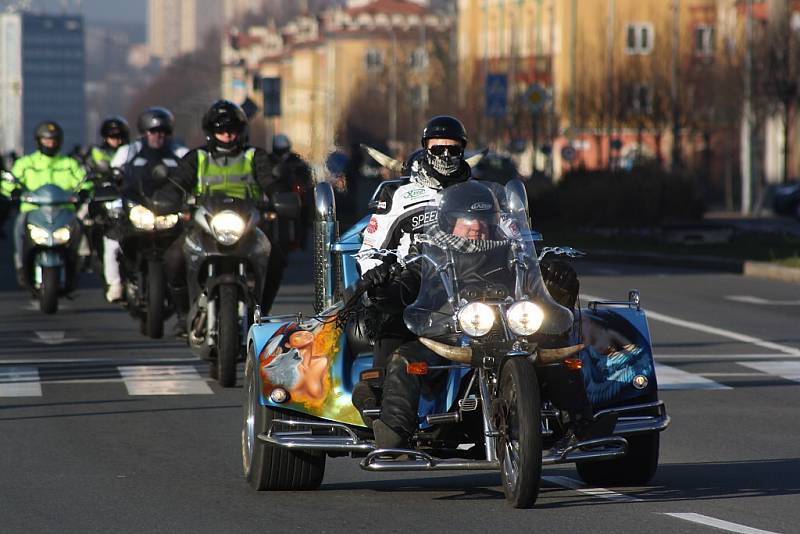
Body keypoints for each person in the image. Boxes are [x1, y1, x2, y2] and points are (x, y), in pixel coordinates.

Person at [363, 181, 613, 450]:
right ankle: (395, 432)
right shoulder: (426, 252)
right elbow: (406, 285)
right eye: (467, 219)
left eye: (483, 220)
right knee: (404, 359)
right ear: (449, 221)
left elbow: (534, 283)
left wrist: (555, 278)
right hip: (448, 335)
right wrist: (384, 287)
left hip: (509, 332)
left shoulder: (510, 251)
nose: (477, 227)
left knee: (557, 356)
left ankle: (581, 426)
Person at [354, 115, 472, 385]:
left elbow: (509, 236)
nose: (445, 154)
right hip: (414, 288)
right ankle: (379, 393)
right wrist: (378, 276)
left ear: (463, 150)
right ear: (425, 148)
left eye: (453, 149)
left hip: (469, 285)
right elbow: (370, 248)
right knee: (390, 313)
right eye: (437, 148)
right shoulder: (400, 194)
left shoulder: (478, 193)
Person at [158, 100, 276, 337]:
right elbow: (177, 182)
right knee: (172, 258)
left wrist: (280, 196)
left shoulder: (255, 156)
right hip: (203, 227)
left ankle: (262, 311)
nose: (227, 134)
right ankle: (183, 314)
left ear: (241, 131)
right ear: (211, 132)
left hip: (247, 228)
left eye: (232, 129)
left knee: (276, 258)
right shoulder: (197, 158)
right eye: (220, 129)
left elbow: (270, 181)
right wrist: (165, 198)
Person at [102, 107, 188, 302]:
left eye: (162, 132)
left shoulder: (180, 152)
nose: (158, 136)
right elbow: (113, 176)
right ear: (144, 132)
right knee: (112, 241)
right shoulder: (128, 151)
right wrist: (110, 186)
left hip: (169, 209)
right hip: (136, 206)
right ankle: (115, 284)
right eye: (153, 132)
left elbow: (193, 175)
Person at [0, 121, 89, 284]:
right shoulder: (26, 163)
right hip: (32, 210)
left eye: (54, 140)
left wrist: (84, 191)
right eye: (46, 140)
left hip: (63, 211)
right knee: (19, 228)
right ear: (38, 141)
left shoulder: (69, 163)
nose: (50, 143)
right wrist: (13, 191)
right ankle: (21, 265)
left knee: (81, 227)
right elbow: (8, 182)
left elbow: (84, 181)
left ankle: (80, 261)